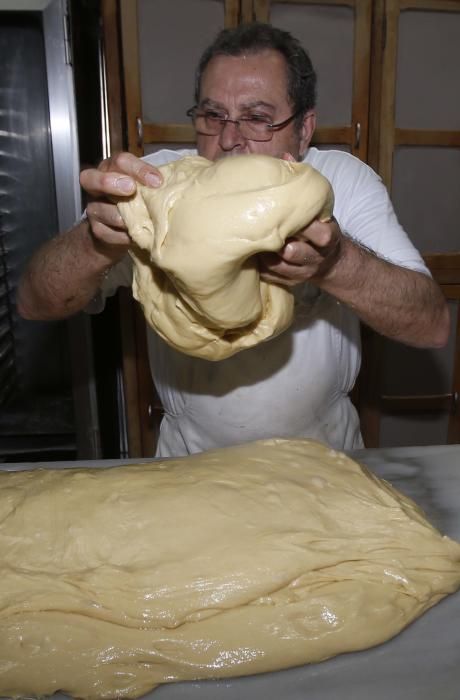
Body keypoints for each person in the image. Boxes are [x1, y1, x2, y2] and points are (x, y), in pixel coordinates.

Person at [17, 23, 449, 457]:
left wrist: (336, 263)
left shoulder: (344, 182)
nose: (228, 139)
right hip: (192, 464)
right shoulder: (155, 186)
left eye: (257, 118)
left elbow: (430, 324)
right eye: (212, 116)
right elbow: (35, 302)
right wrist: (96, 242)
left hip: (324, 461)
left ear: (304, 129)